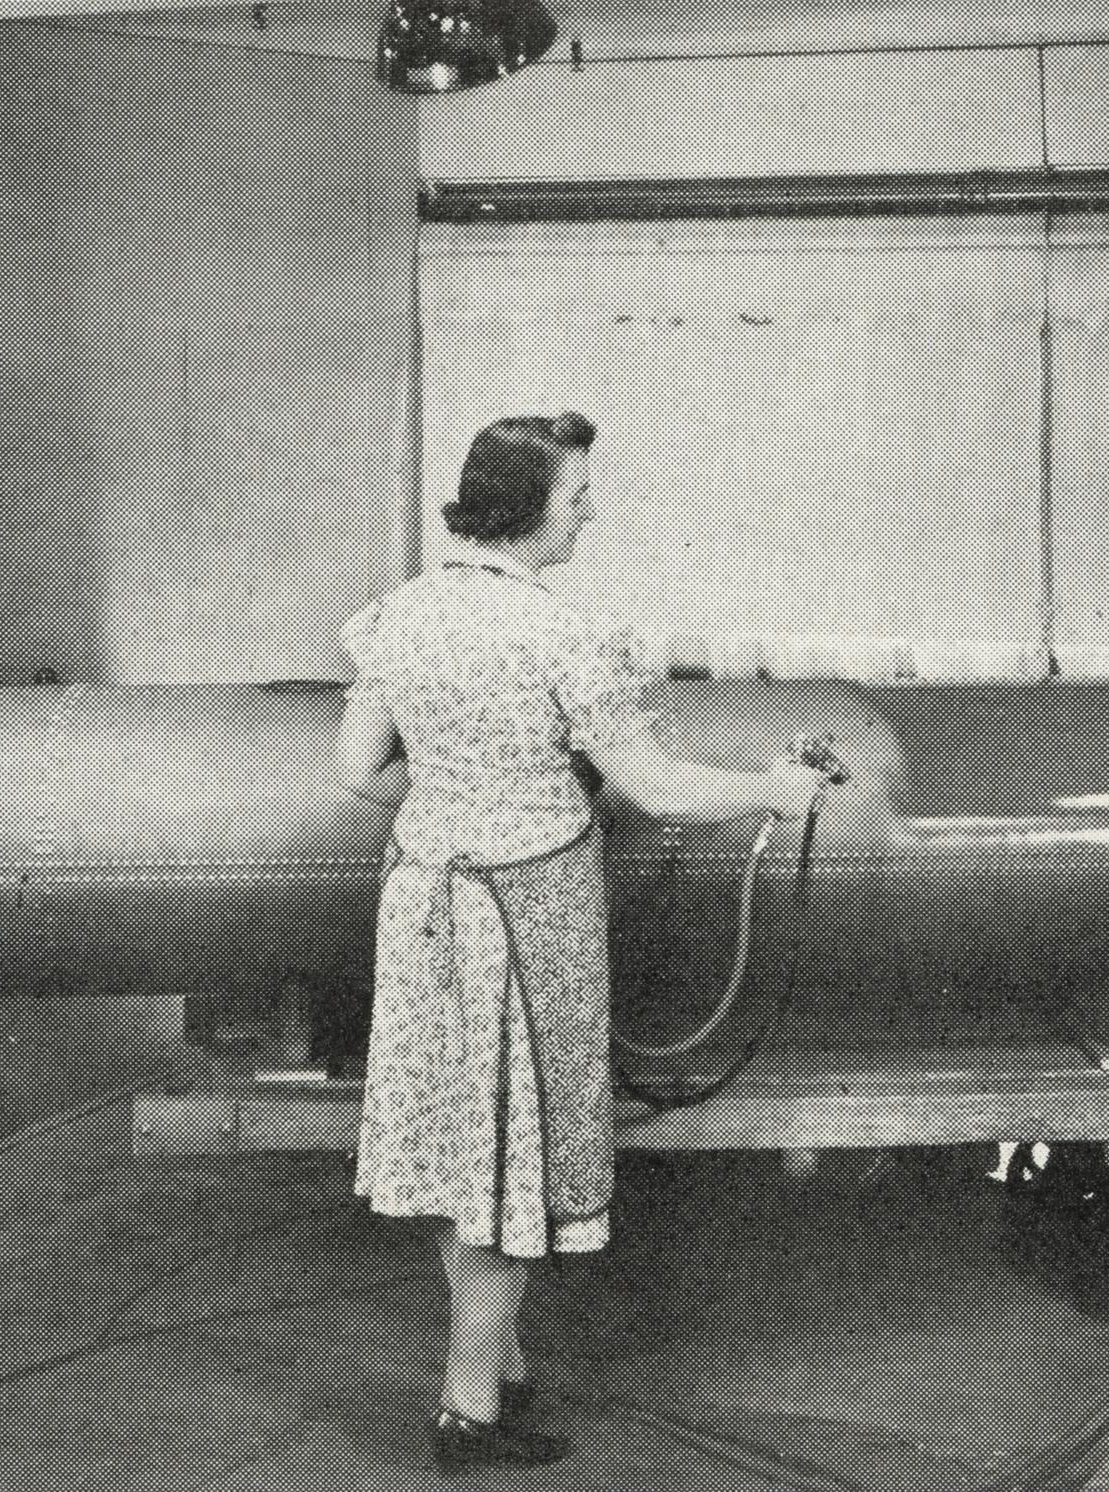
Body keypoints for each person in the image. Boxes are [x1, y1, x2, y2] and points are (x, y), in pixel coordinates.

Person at [337, 412, 825, 1472]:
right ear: (525, 511)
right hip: (526, 924)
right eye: (577, 496)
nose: (590, 512)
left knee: (464, 1151)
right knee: (510, 1169)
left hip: (425, 909)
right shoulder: (562, 635)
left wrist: (468, 791)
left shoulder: (396, 619)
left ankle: (498, 1365)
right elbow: (656, 786)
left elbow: (357, 768)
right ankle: (468, 1410)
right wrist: (773, 790)